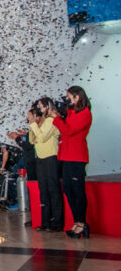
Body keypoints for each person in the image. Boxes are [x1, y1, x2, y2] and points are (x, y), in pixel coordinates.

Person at [53, 86, 93, 238]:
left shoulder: (85, 114)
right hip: (66, 156)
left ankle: (82, 223)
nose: (67, 99)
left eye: (69, 97)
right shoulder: (72, 112)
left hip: (77, 157)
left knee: (77, 191)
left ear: (77, 97)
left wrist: (57, 118)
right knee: (68, 190)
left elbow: (69, 131)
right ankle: (77, 221)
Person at [28, 98, 63, 232]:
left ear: (48, 107)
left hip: (50, 157)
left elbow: (42, 138)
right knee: (43, 191)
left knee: (53, 190)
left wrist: (34, 125)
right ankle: (45, 222)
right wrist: (33, 124)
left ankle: (57, 222)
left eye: (41, 106)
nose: (40, 109)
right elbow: (33, 140)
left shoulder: (51, 120)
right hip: (41, 158)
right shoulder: (40, 123)